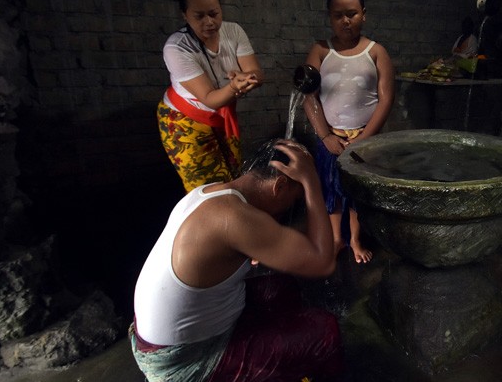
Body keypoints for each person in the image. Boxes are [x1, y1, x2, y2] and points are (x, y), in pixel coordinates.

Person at [131, 139, 343, 382]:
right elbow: (323, 262)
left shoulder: (213, 193)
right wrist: (312, 183)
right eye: (295, 199)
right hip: (182, 361)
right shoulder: (232, 218)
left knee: (281, 289)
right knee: (325, 330)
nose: (290, 209)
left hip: (157, 339)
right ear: (280, 185)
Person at [302, 0, 395, 264]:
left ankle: (355, 240)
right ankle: (336, 239)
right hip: (333, 139)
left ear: (363, 15)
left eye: (352, 14)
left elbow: (386, 99)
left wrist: (365, 138)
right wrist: (325, 136)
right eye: (338, 15)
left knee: (356, 196)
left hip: (364, 141)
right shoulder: (320, 51)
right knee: (331, 193)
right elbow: (309, 98)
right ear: (329, 17)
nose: (345, 20)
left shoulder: (376, 52)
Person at [157, 0, 263, 192]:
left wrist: (249, 78)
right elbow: (209, 99)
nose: (209, 22)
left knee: (233, 178)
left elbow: (255, 72)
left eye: (214, 13)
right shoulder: (177, 48)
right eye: (199, 16)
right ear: (184, 15)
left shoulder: (233, 31)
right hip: (185, 122)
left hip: (220, 116)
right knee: (209, 191)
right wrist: (234, 86)